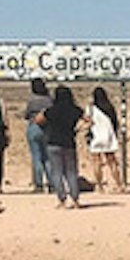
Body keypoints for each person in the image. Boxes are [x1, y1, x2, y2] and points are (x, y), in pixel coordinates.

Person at [38, 78, 89, 208]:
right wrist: (78, 129)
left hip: (53, 142)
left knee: (57, 173)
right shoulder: (75, 109)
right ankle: (75, 199)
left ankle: (62, 199)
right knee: (71, 172)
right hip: (69, 142)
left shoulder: (52, 110)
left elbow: (38, 120)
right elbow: (89, 120)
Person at [84, 85, 124, 194]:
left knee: (96, 162)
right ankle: (119, 184)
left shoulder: (91, 109)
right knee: (112, 162)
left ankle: (100, 186)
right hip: (108, 137)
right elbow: (115, 122)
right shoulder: (109, 107)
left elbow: (87, 121)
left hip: (96, 137)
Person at [21, 77, 52, 194]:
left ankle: (38, 184)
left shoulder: (32, 101)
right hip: (48, 128)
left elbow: (26, 115)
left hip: (34, 127)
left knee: (36, 157)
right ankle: (52, 183)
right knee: (48, 157)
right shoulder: (49, 100)